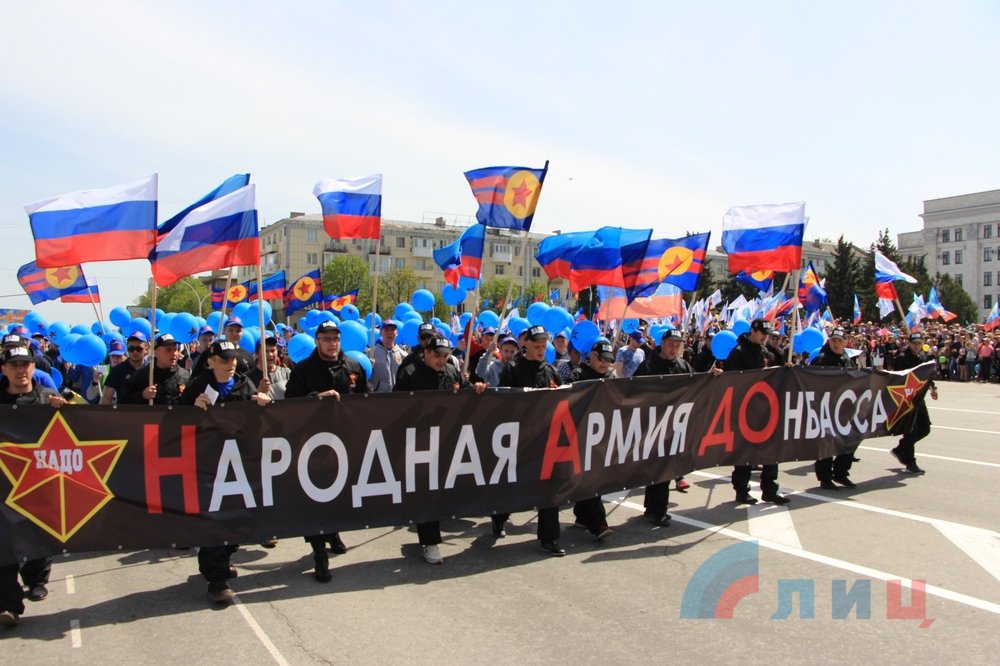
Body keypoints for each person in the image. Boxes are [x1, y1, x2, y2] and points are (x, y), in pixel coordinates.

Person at [179, 340, 271, 604]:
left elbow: (261, 420)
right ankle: (216, 579)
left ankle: (226, 554)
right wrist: (192, 408)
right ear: (210, 361)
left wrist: (264, 401)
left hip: (239, 463)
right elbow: (174, 419)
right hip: (207, 465)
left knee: (240, 517)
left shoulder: (244, 383)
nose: (230, 364)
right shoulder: (198, 385)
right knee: (214, 520)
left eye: (233, 359)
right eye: (223, 359)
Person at [284, 320, 367, 581]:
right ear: (317, 340)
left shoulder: (353, 366)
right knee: (318, 498)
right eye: (326, 339)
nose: (332, 344)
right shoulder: (304, 370)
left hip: (345, 442)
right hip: (314, 444)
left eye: (335, 338)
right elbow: (290, 403)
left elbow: (365, 401)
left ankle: (333, 532)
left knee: (340, 495)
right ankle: (319, 554)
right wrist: (315, 398)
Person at [395, 337, 487, 563]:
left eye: (445, 356)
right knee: (426, 492)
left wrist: (476, 386)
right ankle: (431, 542)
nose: (441, 360)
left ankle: (426, 534)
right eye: (437, 355)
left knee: (440, 493)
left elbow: (465, 392)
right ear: (425, 352)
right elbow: (394, 406)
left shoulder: (452, 371)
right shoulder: (409, 373)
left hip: (448, 441)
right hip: (419, 442)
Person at [0, 344, 68, 627]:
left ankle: (37, 579)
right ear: (4, 369)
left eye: (25, 364)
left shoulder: (46, 399)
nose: (20, 370)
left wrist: (64, 410)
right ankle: (7, 604)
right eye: (14, 365)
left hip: (40, 482)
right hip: (5, 484)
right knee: (4, 542)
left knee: (39, 532)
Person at [496, 325, 566, 556]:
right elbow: (504, 402)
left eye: (544, 346)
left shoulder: (551, 371)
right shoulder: (512, 369)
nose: (541, 349)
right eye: (536, 345)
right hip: (519, 438)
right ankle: (499, 515)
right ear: (525, 344)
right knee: (511, 484)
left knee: (549, 487)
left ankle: (550, 538)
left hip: (546, 439)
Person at [725, 319, 789, 505]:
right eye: (762, 332)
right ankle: (741, 490)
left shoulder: (767, 351)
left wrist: (787, 369)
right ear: (753, 330)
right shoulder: (738, 353)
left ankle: (769, 490)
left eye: (767, 333)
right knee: (745, 452)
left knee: (771, 450)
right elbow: (732, 380)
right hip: (745, 409)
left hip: (767, 408)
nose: (765, 336)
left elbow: (778, 372)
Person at [568, 340, 615, 540]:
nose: (605, 364)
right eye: (602, 360)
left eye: (608, 361)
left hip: (602, 434)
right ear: (593, 357)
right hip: (580, 433)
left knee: (594, 476)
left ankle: (581, 514)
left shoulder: (611, 377)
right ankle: (598, 522)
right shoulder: (578, 375)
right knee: (589, 478)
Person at [809, 328, 858, 489]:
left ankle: (841, 473)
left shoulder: (847, 359)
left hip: (844, 408)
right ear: (829, 341)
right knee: (827, 444)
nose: (836, 344)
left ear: (845, 342)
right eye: (833, 340)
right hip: (826, 408)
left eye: (839, 341)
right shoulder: (821, 359)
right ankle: (825, 477)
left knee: (850, 441)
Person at [891, 331, 938, 474]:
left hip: (919, 396)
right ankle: (910, 462)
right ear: (909, 343)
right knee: (911, 430)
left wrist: (932, 387)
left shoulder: (921, 356)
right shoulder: (903, 357)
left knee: (925, 428)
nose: (917, 346)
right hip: (906, 398)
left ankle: (900, 449)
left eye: (919, 343)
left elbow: (926, 374)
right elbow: (900, 378)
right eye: (914, 343)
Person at [120, 333, 191, 405]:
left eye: (175, 349)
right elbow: (124, 401)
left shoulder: (184, 375)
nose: (174, 353)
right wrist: (142, 395)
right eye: (168, 349)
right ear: (156, 353)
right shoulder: (142, 375)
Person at [101, 332, 149, 404]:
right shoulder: (117, 371)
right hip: (123, 414)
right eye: (131, 349)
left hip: (147, 413)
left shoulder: (151, 370)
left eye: (139, 349)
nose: (135, 352)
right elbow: (106, 398)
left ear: (146, 349)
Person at [370, 319, 404, 393]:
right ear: (381, 332)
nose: (390, 333)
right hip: (379, 397)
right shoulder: (371, 353)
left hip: (398, 397)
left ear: (397, 333)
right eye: (386, 330)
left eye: (392, 330)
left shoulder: (403, 355)